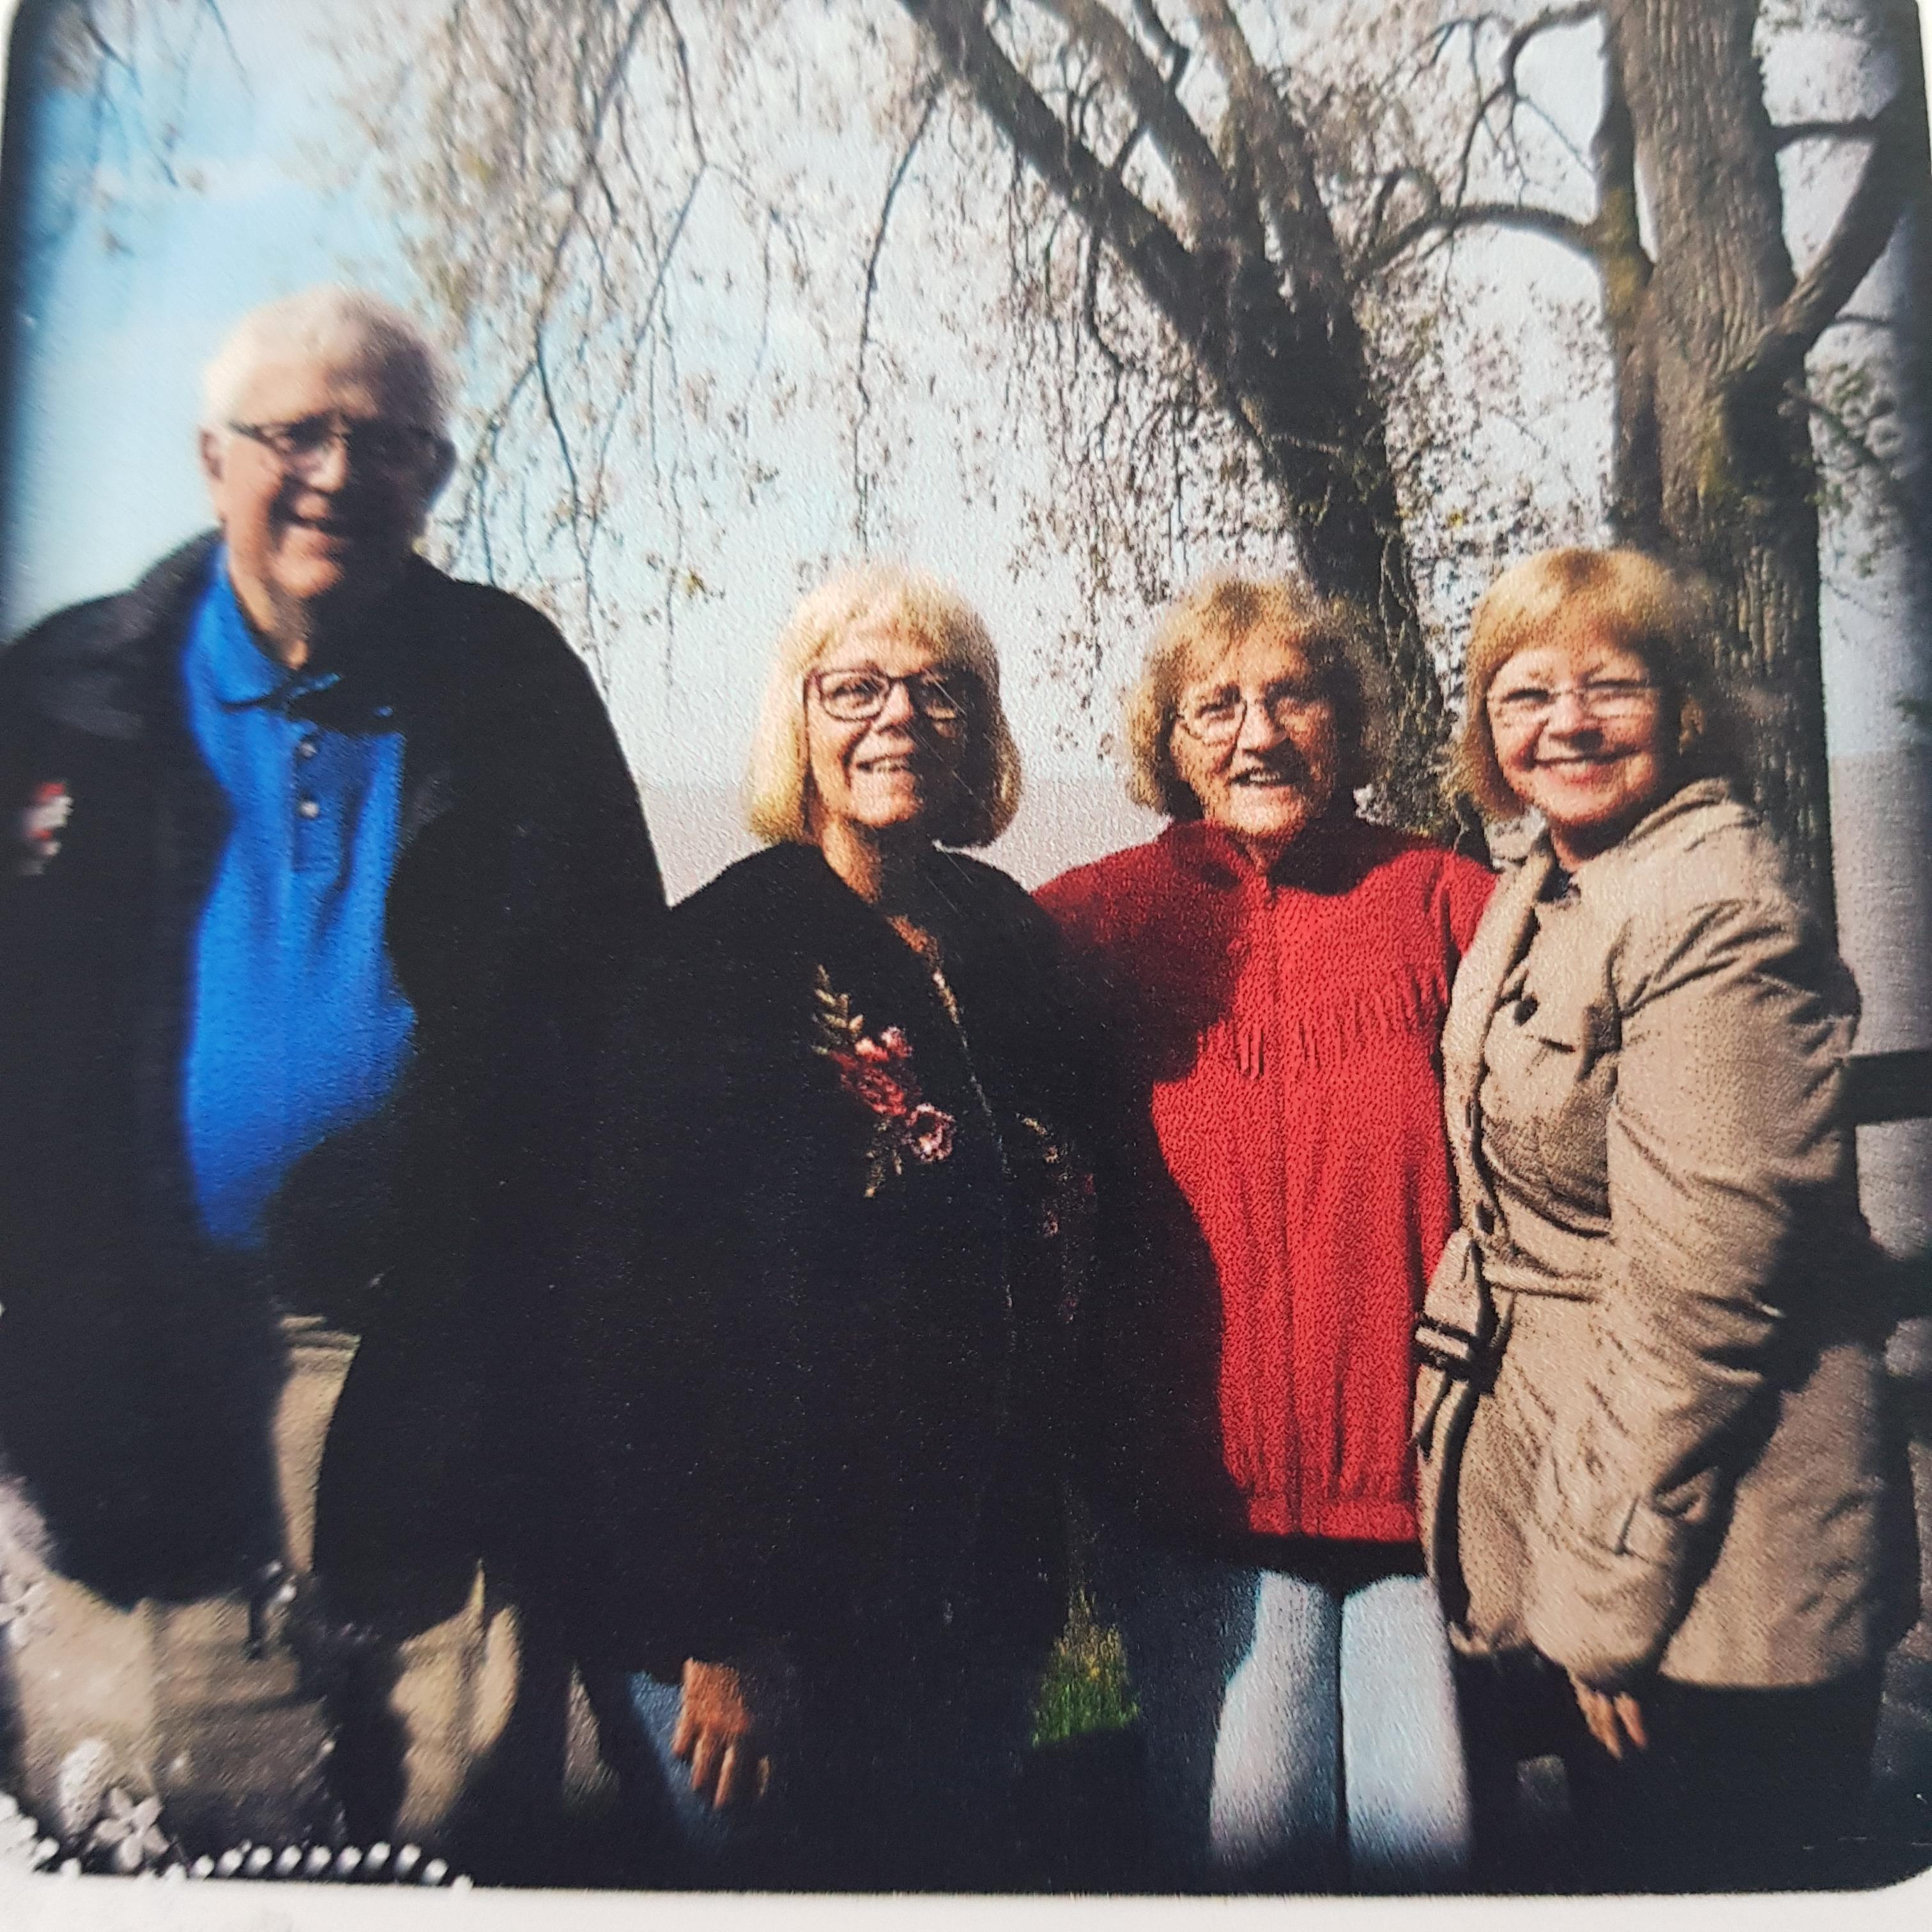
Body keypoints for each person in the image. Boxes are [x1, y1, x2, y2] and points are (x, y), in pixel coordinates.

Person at [0, 287, 663, 1864]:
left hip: (433, 1361)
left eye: (391, 444)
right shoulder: (72, 697)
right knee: (167, 1822)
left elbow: (622, 1026)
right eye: (298, 431)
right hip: (151, 1366)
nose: (339, 474)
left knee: (453, 1819)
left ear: (436, 480)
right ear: (211, 456)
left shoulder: (513, 685)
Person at [567, 564, 1094, 1890]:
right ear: (797, 726)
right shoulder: (721, 960)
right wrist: (726, 1628)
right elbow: (655, 1312)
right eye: (854, 689)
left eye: (937, 691)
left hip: (973, 1584)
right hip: (779, 1615)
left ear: (980, 729)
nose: (897, 719)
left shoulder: (1006, 937)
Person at [1413, 546, 1919, 1892]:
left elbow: (1701, 1298)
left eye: (1609, 686)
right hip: (1628, 1527)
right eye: (1524, 694)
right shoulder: (1556, 878)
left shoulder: (1717, 908)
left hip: (1721, 1568)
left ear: (1683, 705)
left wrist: (1603, 1609)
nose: (1564, 723)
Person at [1037, 572, 1492, 1891]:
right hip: (1201, 1507)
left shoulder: (1445, 901)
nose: (1258, 733)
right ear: (1168, 744)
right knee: (1252, 1857)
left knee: (1434, 1857)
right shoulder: (1098, 920)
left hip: (1423, 1500)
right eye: (1215, 706)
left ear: (1343, 720)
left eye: (1292, 695)